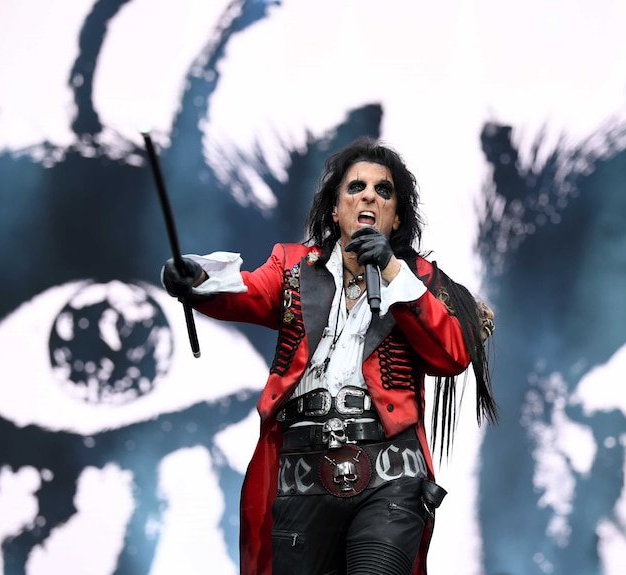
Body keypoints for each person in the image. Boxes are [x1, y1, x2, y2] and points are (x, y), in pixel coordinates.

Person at [161, 136, 497, 575]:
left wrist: (393, 271)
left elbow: (452, 354)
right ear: (336, 210)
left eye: (384, 190)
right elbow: (246, 292)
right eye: (356, 187)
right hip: (300, 470)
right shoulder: (293, 266)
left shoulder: (420, 280)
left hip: (390, 471)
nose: (370, 196)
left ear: (395, 218)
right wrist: (198, 277)